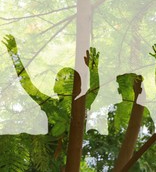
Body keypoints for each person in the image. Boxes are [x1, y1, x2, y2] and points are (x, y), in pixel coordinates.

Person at [2, 34, 100, 168]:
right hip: (45, 159)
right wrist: (14, 55)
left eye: (65, 80)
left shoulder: (80, 103)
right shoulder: (51, 105)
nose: (59, 83)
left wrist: (94, 69)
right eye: (58, 79)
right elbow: (27, 84)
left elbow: (94, 90)